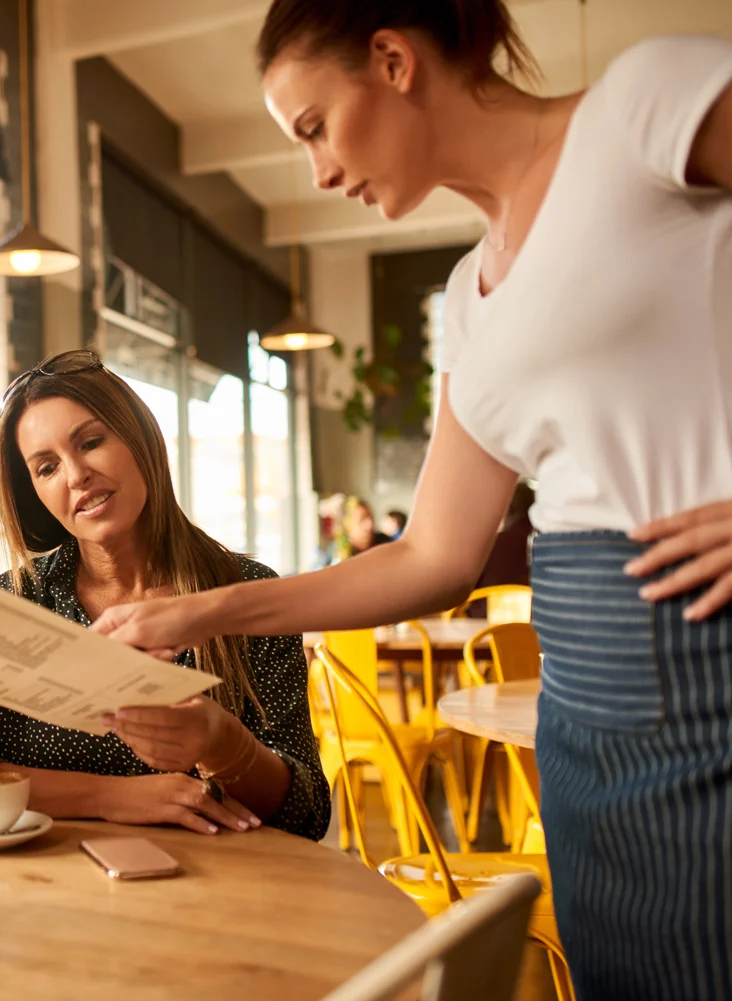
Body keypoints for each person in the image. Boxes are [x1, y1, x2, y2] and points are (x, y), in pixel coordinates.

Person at [91, 5, 732, 997]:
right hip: (588, 717)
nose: (317, 171)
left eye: (312, 126)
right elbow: (432, 557)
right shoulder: (470, 296)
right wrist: (207, 607)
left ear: (392, 61)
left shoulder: (642, 107)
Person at [0, 350, 329, 840]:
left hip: (215, 893)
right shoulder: (12, 606)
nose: (76, 475)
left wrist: (225, 745)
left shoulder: (246, 594)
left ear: (141, 438)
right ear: (35, 494)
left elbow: (306, 813)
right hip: (40, 890)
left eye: (90, 442)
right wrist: (107, 797)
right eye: (46, 467)